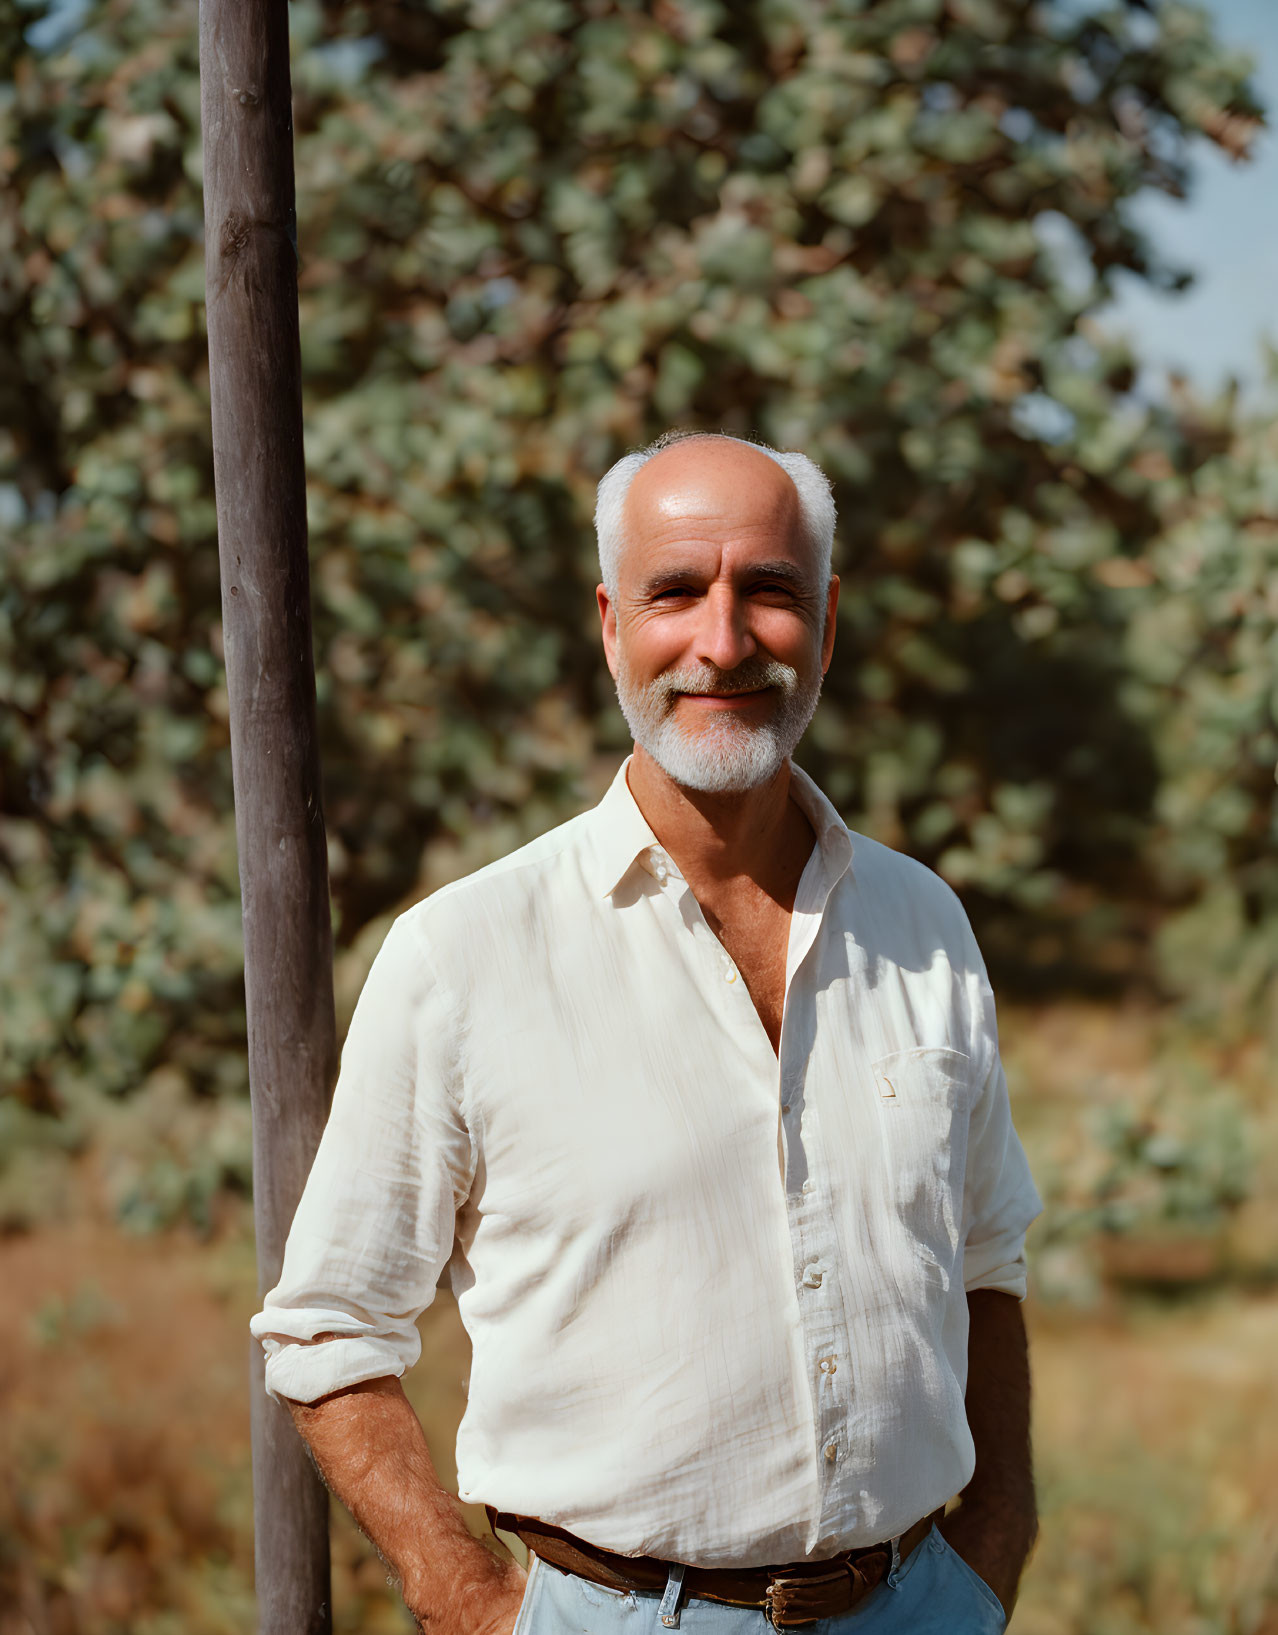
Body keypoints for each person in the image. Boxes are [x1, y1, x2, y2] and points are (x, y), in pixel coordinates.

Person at [251, 432, 1043, 1634]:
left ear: (824, 621)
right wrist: (462, 1595)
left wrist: (993, 1547)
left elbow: (987, 1256)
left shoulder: (923, 920)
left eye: (768, 591)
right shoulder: (464, 953)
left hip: (924, 1602)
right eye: (679, 591)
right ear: (612, 622)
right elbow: (329, 1329)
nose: (723, 642)